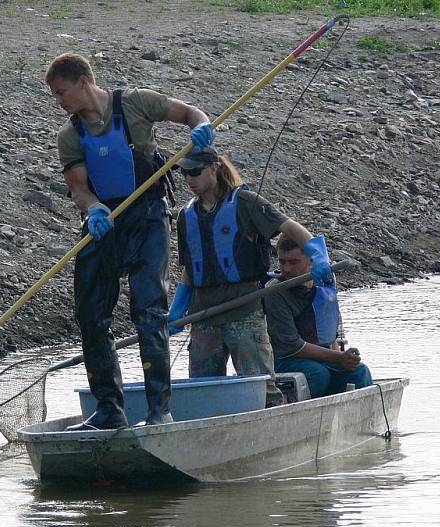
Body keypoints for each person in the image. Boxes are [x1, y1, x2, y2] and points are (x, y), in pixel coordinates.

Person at [45, 52, 215, 430]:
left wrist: (202, 128)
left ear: (84, 82)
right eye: (56, 96)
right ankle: (109, 409)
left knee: (148, 310)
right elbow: (78, 190)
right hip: (104, 223)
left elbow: (191, 114)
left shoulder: (136, 102)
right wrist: (93, 210)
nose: (60, 102)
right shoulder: (70, 135)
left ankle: (159, 410)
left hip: (148, 218)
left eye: (62, 92)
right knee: (90, 315)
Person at [169, 146, 333, 407]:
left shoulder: (244, 203)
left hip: (244, 311)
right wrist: (178, 307)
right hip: (203, 316)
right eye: (185, 173)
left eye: (195, 172)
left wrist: (319, 255)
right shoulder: (185, 216)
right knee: (201, 390)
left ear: (214, 168)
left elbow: (289, 226)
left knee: (261, 389)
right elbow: (192, 267)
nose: (189, 179)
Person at [264, 234, 373, 398]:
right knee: (317, 375)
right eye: (282, 262)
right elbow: (291, 346)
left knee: (359, 372)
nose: (286, 269)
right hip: (284, 359)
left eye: (293, 262)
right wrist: (339, 358)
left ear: (311, 262)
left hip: (323, 357)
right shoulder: (275, 292)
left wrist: (343, 358)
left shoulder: (324, 281)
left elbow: (332, 331)